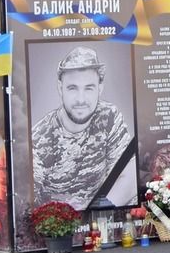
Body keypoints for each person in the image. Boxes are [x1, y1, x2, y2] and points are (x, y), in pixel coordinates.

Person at [30, 46, 130, 208]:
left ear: (100, 89)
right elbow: (30, 207)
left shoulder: (108, 116)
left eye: (89, 88)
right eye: (72, 88)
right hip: (61, 227)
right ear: (60, 88)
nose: (81, 99)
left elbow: (128, 174)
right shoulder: (40, 139)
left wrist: (99, 210)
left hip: (103, 218)